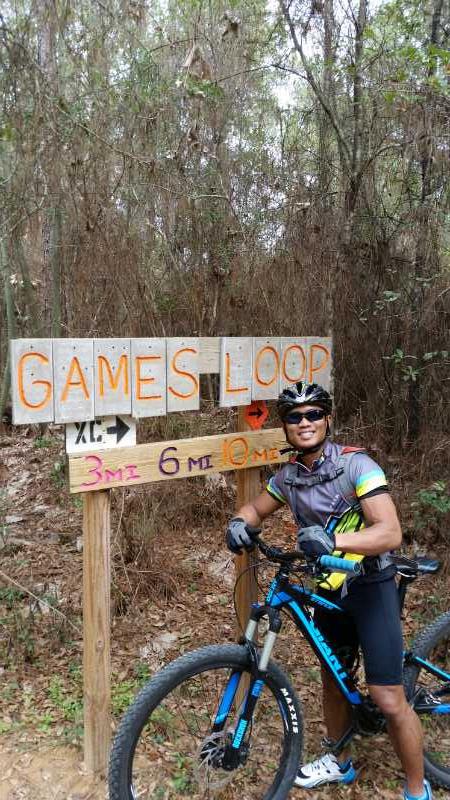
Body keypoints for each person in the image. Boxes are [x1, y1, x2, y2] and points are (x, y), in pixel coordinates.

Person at [226, 381, 432, 800]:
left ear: (328, 419)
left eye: (314, 413)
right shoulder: (289, 477)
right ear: (285, 426)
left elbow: (389, 532)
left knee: (389, 698)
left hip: (370, 585)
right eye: (295, 417)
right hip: (328, 588)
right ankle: (340, 762)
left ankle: (417, 787)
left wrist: (334, 542)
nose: (305, 423)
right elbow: (254, 509)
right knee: (333, 678)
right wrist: (239, 523)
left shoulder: (358, 466)